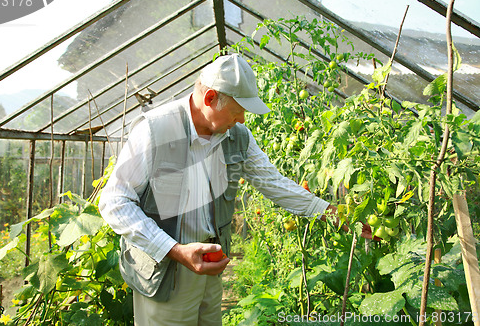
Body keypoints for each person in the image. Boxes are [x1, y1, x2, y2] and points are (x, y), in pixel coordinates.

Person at [99, 54, 340, 326]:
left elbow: (273, 182)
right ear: (211, 98)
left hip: (210, 269)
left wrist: (332, 214)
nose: (242, 120)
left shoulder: (236, 137)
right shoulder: (156, 129)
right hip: (165, 271)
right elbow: (115, 201)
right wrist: (175, 250)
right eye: (237, 111)